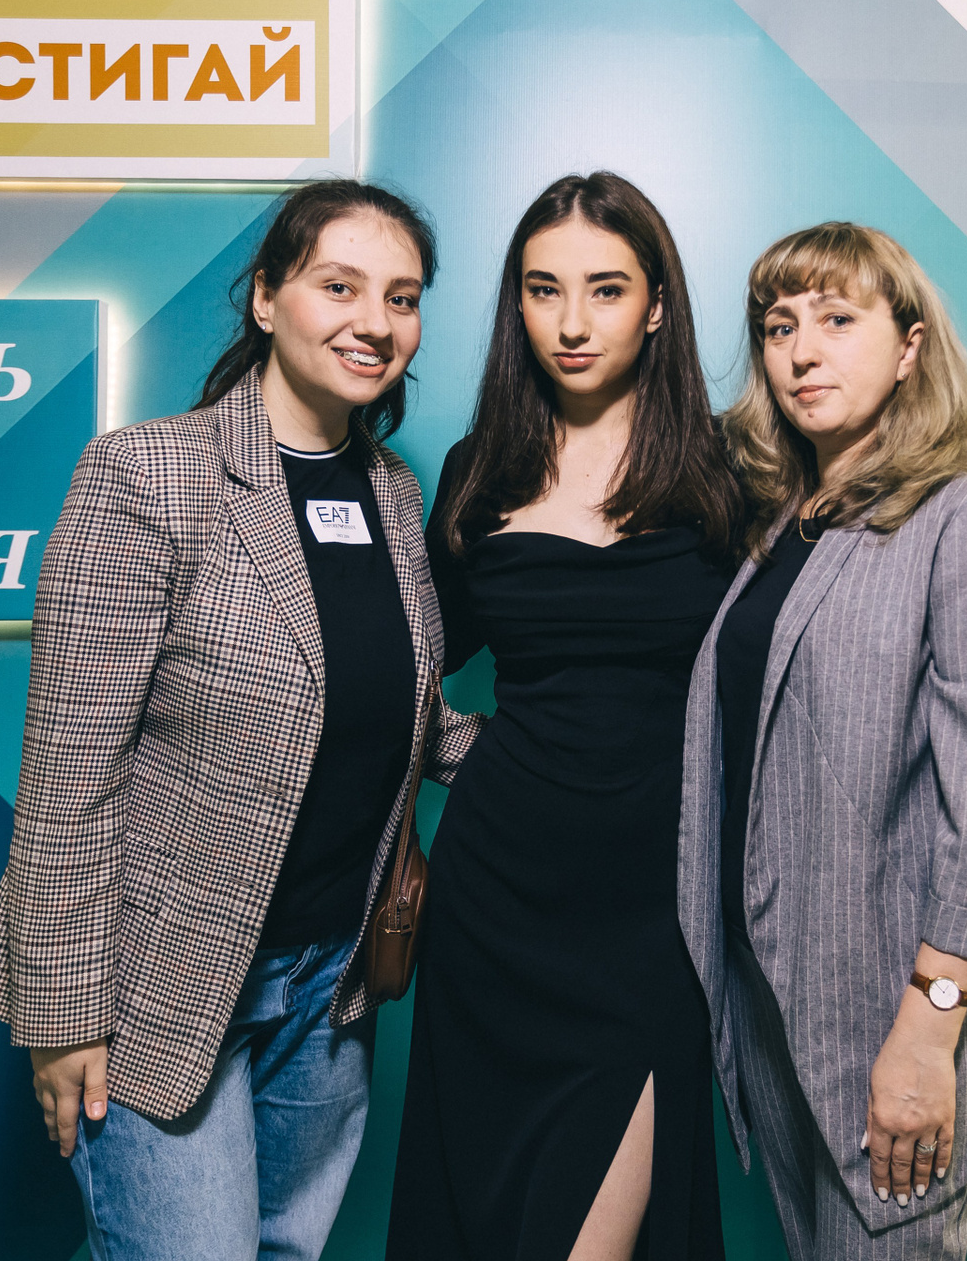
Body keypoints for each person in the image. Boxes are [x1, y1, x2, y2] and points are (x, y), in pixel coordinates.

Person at [0, 179, 484, 1261]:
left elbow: (394, 706)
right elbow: (68, 768)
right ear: (266, 297)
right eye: (340, 286)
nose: (375, 322)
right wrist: (63, 1018)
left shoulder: (391, 491)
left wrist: (574, 760)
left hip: (331, 986)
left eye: (401, 298)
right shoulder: (148, 473)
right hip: (159, 978)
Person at [676, 222, 967, 1260]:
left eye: (837, 320)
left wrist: (929, 1028)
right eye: (779, 327)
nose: (801, 352)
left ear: (908, 347)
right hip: (782, 1006)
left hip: (898, 1015)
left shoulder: (965, 518)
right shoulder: (786, 527)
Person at [387, 172, 743, 1261]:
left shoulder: (732, 471)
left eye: (606, 289)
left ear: (658, 304)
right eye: (544, 290)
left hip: (653, 909)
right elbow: (399, 670)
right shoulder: (478, 469)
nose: (573, 323)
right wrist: (485, 755)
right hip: (499, 900)